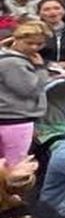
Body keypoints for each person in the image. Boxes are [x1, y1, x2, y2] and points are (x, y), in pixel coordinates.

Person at [0, 21, 52, 164]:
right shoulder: (13, 62)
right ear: (17, 39)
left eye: (40, 44)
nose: (35, 47)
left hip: (9, 118)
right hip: (15, 119)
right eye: (29, 43)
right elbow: (30, 90)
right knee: (15, 165)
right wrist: (41, 69)